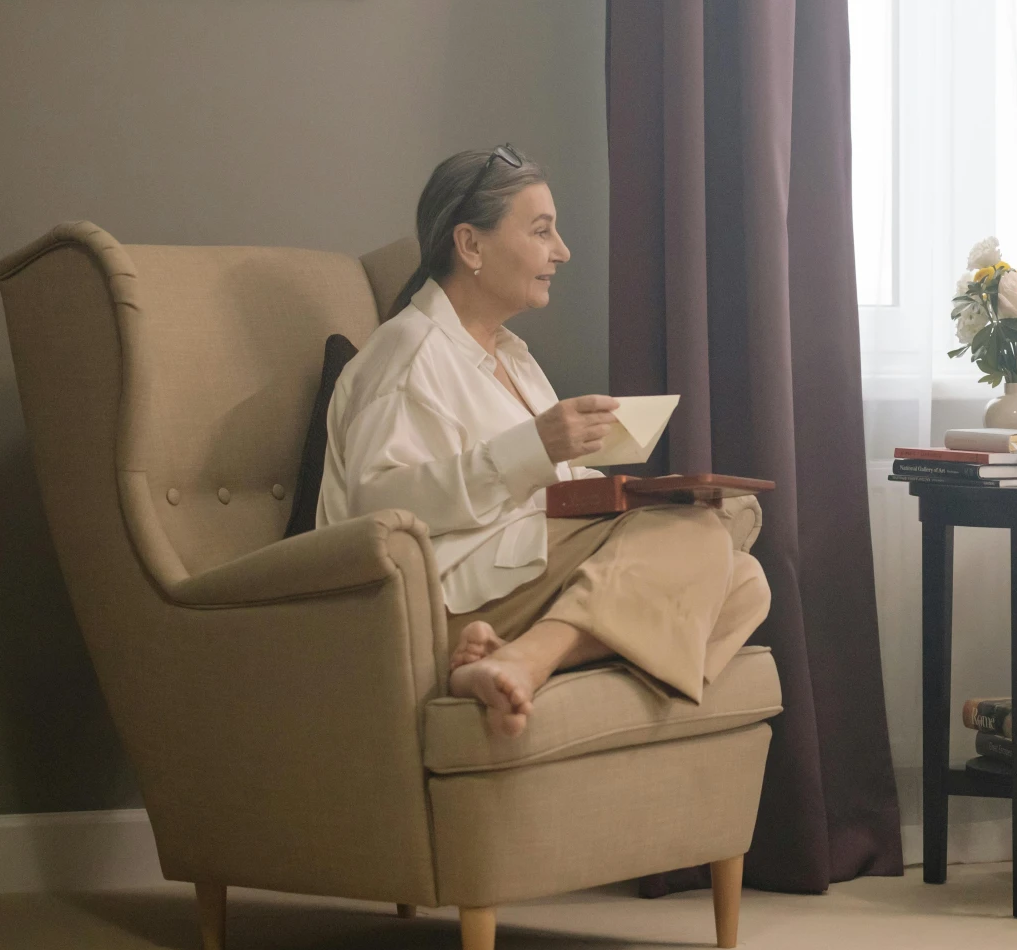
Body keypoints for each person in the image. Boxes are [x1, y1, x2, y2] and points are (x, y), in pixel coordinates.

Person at [318, 146, 770, 737]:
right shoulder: (408, 353)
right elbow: (375, 507)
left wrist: (627, 494)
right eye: (541, 231)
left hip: (526, 572)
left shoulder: (513, 358)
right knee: (698, 545)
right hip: (455, 597)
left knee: (741, 569)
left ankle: (517, 654)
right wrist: (537, 446)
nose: (562, 251)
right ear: (470, 245)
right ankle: (530, 657)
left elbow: (545, 491)